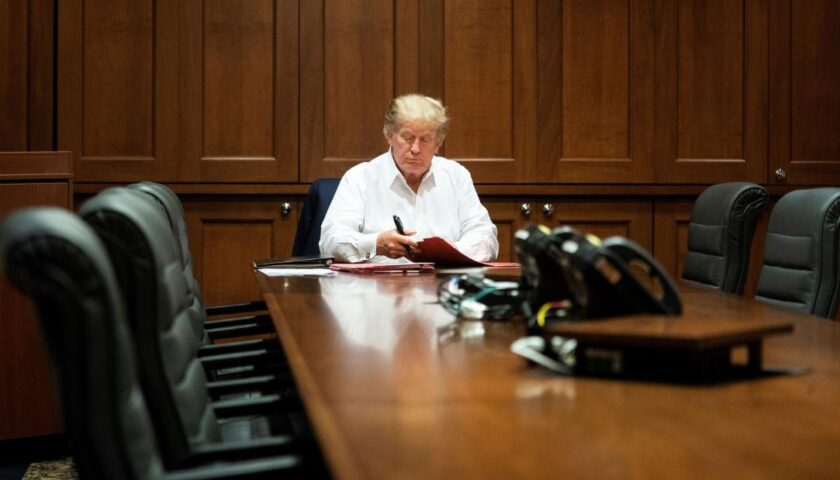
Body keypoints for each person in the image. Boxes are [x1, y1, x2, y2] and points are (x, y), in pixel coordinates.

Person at [319, 94, 499, 263]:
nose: (415, 148)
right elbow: (330, 242)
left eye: (426, 139)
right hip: (378, 290)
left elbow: (486, 237)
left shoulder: (456, 176)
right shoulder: (360, 178)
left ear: (438, 143)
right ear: (389, 135)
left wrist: (454, 250)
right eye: (407, 137)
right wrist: (376, 243)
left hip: (441, 286)